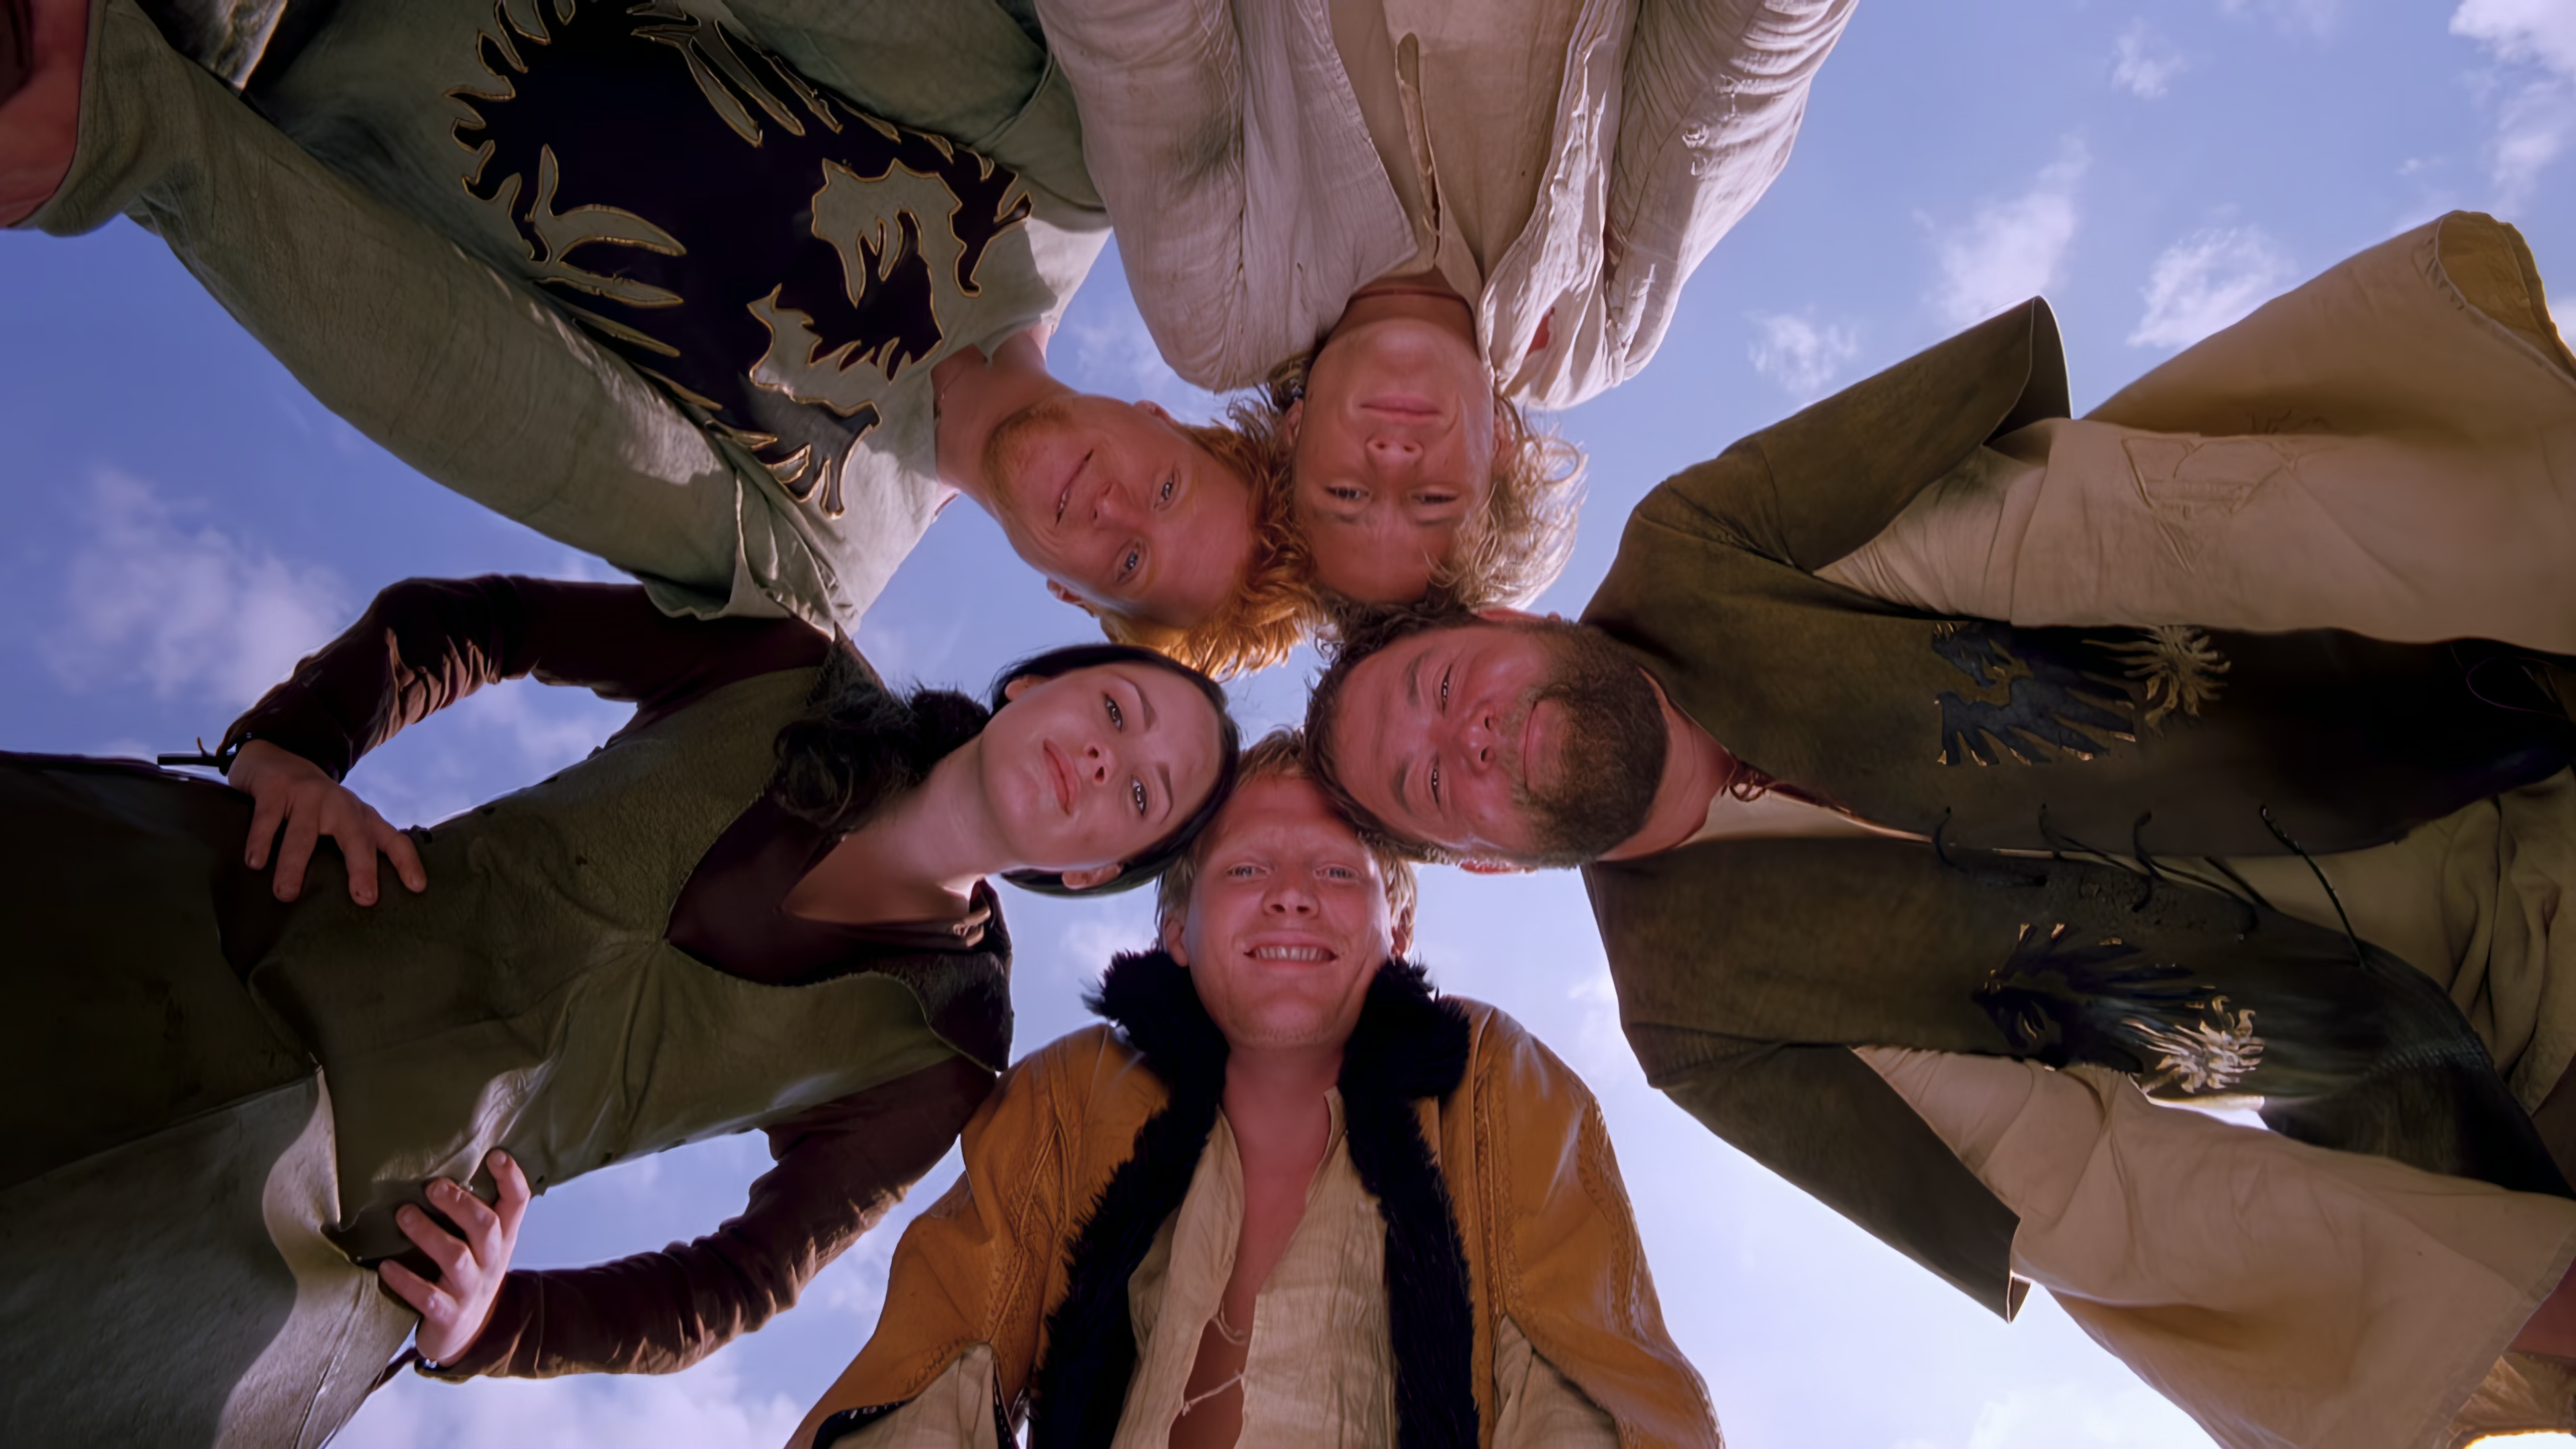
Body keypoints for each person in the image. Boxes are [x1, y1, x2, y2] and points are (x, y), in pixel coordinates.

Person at [1301, 213, 2576, 1446]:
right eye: (1429, 787)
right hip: (2480, 1051)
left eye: (1441, 686)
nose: (1465, 740)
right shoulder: (1698, 1023)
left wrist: (2532, 564)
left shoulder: (1705, 550)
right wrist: (2513, 1300)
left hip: (2473, 677)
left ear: (1511, 623)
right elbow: (2089, 1191)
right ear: (1486, 859)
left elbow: (2114, 525)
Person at [0, 573, 1242, 1448]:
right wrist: (297, 745)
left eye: (1142, 796)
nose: (1104, 760)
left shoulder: (950, 1052)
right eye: (1115, 711)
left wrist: (500, 1323)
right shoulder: (785, 668)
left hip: (319, 1240)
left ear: (1092, 871)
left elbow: (744, 1281)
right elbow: (482, 619)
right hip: (213, 926)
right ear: (1032, 683)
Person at [0, 0, 1305, 678]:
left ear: (1074, 597)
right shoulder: (1059, 178)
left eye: (1129, 562)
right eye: (1168, 487)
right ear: (1164, 416)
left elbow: (488, 389)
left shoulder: (814, 562)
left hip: (248, 52)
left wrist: (141, 140)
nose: (1112, 507)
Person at [788, 732, 1717, 1448]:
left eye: (1336, 870)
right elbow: (944, 1358)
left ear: (1396, 931)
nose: (1291, 894)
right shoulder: (1072, 1092)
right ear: (1177, 933)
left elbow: (1578, 1380)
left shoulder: (1490, 1076)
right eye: (1245, 868)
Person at [1032, 0, 1854, 614]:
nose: (1392, 459)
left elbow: (1138, 48)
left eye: (1347, 495)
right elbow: (1736, 74)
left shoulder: (1224, 316)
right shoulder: (1593, 325)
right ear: (1501, 452)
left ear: (1292, 438)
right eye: (1433, 500)